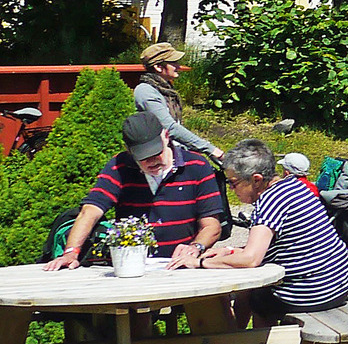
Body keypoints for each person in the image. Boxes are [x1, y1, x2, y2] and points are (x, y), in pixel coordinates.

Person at [204, 140, 348, 344]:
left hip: (313, 290)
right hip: (338, 283)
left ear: (256, 179)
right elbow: (270, 246)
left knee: (253, 299)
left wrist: (203, 262)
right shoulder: (293, 187)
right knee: (251, 294)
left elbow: (252, 258)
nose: (231, 190)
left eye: (233, 183)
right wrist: (228, 253)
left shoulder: (270, 202)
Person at [51, 111, 226, 269]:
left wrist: (195, 247)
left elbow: (211, 225)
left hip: (183, 264)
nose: (151, 161)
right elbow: (90, 212)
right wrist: (71, 252)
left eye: (156, 152)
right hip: (133, 264)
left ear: (166, 136)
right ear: (129, 151)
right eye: (143, 157)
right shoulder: (118, 167)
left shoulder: (197, 166)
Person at [133, 42, 223, 164]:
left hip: (173, 150)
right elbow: (170, 128)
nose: (178, 66)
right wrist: (210, 149)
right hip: (155, 160)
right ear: (158, 67)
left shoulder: (165, 89)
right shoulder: (146, 91)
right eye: (173, 63)